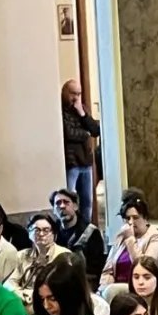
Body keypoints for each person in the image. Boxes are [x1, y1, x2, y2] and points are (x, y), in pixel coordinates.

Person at [101, 196, 158, 295]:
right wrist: (104, 288)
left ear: (145, 218)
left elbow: (144, 267)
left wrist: (130, 240)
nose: (131, 222)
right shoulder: (121, 237)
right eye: (127, 218)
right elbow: (108, 270)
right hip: (117, 293)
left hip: (146, 291)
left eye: (135, 218)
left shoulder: (157, 238)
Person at [61, 80, 100, 221]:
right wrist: (86, 134)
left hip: (86, 162)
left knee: (87, 202)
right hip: (72, 163)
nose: (76, 97)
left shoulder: (82, 109)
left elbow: (95, 130)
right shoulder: (61, 110)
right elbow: (69, 133)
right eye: (73, 93)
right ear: (65, 92)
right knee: (68, 202)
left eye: (79, 94)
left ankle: (86, 233)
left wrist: (83, 114)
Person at [51, 187, 105, 288]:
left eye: (66, 202)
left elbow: (97, 269)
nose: (62, 206)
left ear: (75, 206)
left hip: (84, 282)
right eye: (58, 203)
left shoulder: (91, 232)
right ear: (54, 210)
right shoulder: (52, 232)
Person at [11, 212, 70, 305]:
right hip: (22, 301)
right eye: (36, 230)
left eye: (46, 230)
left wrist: (33, 294)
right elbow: (9, 283)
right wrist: (19, 293)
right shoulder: (21, 255)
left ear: (54, 234)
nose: (41, 234)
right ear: (29, 232)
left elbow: (62, 288)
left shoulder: (64, 256)